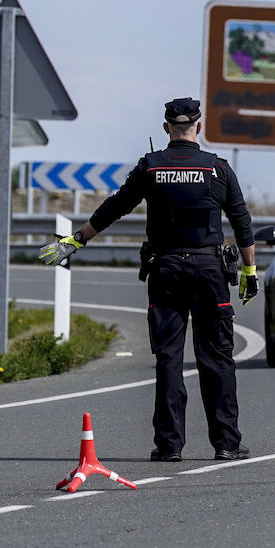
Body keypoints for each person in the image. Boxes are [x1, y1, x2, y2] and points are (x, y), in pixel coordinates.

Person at [38, 97, 256, 462]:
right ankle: (226, 444)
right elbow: (242, 221)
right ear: (199, 128)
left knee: (169, 358)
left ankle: (170, 446)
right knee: (216, 358)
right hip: (208, 272)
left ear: (167, 128)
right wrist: (249, 271)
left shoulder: (151, 167)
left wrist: (77, 240)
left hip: (166, 271)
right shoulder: (218, 169)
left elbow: (115, 206)